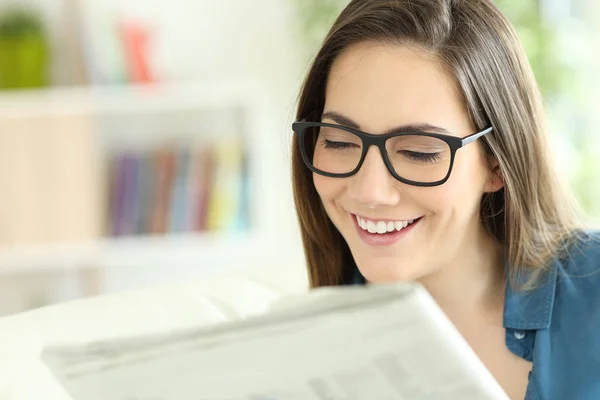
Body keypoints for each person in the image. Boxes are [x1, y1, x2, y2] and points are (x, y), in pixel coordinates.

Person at [290, 0, 600, 399]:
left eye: (419, 152)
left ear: (496, 164)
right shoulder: (306, 355)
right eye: (338, 141)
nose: (369, 191)